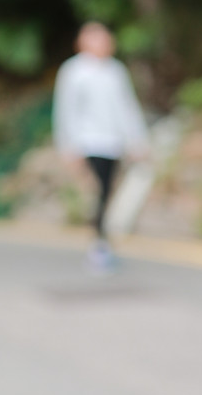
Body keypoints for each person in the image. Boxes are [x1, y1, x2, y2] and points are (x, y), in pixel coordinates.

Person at [52, 22, 149, 271]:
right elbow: (66, 110)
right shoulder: (73, 71)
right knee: (97, 192)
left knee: (107, 193)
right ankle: (99, 246)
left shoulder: (115, 70)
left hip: (113, 143)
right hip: (87, 143)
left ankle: (102, 243)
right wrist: (67, 145)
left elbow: (127, 108)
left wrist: (137, 140)